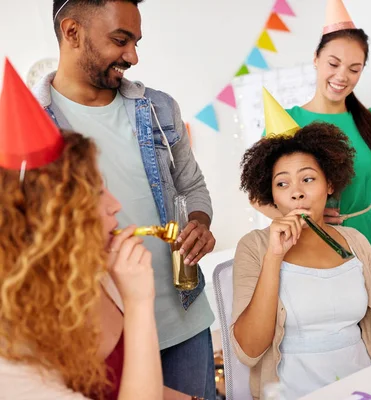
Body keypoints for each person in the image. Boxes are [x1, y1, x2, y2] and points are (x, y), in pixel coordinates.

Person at [33, 1, 216, 396]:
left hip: (183, 321)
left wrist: (199, 222)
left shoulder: (159, 109)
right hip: (100, 337)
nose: (133, 56)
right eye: (121, 40)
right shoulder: (32, 128)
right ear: (72, 32)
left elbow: (193, 187)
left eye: (135, 41)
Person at [231, 92, 371, 400]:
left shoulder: (356, 242)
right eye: (282, 184)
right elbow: (249, 350)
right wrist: (274, 257)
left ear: (329, 184)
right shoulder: (254, 247)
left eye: (307, 179)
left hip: (364, 388)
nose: (296, 192)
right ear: (270, 194)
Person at [0, 59, 163, 399]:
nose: (115, 204)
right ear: (47, 221)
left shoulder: (95, 275)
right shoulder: (9, 350)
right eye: (93, 193)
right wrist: (139, 304)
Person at [256, 0, 371, 296]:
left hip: (367, 237)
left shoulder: (368, 121)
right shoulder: (288, 122)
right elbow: (257, 195)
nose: (342, 77)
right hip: (313, 243)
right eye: (333, 64)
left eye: (354, 69)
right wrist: (307, 218)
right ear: (316, 59)